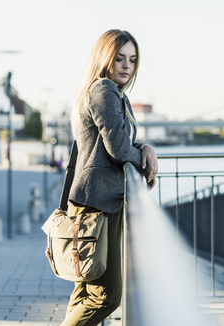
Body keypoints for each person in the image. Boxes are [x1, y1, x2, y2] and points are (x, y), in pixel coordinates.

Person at [62, 29, 158, 326]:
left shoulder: (111, 92)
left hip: (95, 201)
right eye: (119, 58)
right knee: (107, 296)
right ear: (105, 58)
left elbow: (114, 141)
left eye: (132, 59)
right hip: (98, 204)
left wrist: (145, 148)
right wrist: (141, 158)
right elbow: (117, 148)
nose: (127, 66)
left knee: (84, 290)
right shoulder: (104, 89)